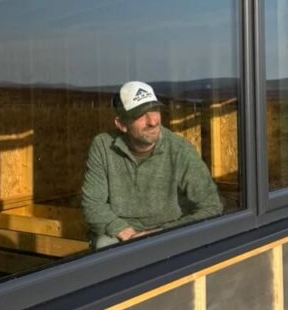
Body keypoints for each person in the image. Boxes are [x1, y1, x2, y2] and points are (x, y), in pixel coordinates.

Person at [81, 81, 223, 249]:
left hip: (168, 233)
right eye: (141, 115)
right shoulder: (103, 146)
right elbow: (92, 205)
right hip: (123, 235)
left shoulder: (179, 149)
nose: (153, 121)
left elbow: (212, 206)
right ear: (121, 124)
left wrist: (162, 232)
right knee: (105, 245)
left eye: (155, 110)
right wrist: (122, 231)